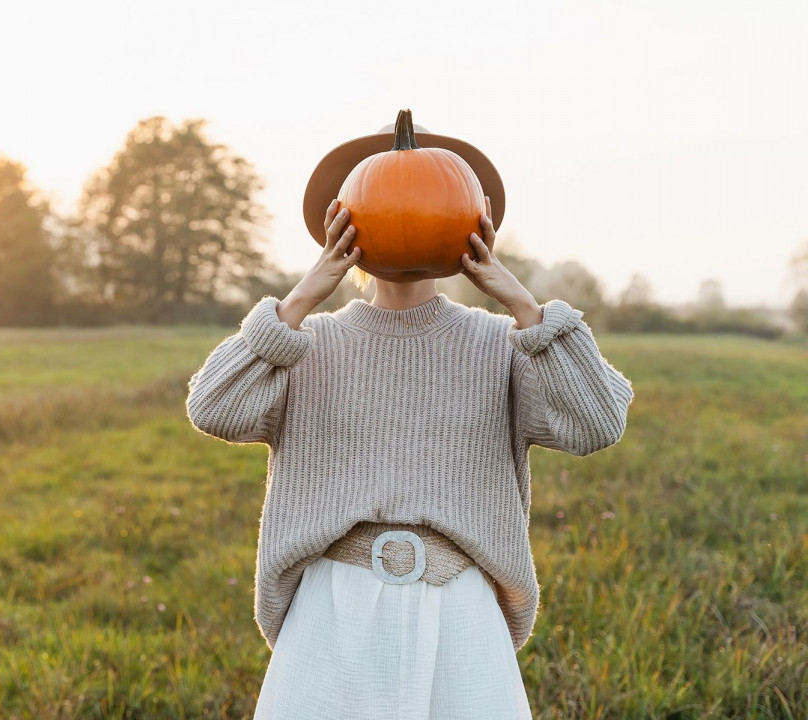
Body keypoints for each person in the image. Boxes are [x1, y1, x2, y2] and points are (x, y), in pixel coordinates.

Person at [184, 192, 634, 718]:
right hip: (332, 607)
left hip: (462, 610)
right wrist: (301, 298)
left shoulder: (501, 343)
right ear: (342, 221)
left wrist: (526, 310)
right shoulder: (307, 343)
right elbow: (213, 406)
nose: (403, 205)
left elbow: (597, 423)